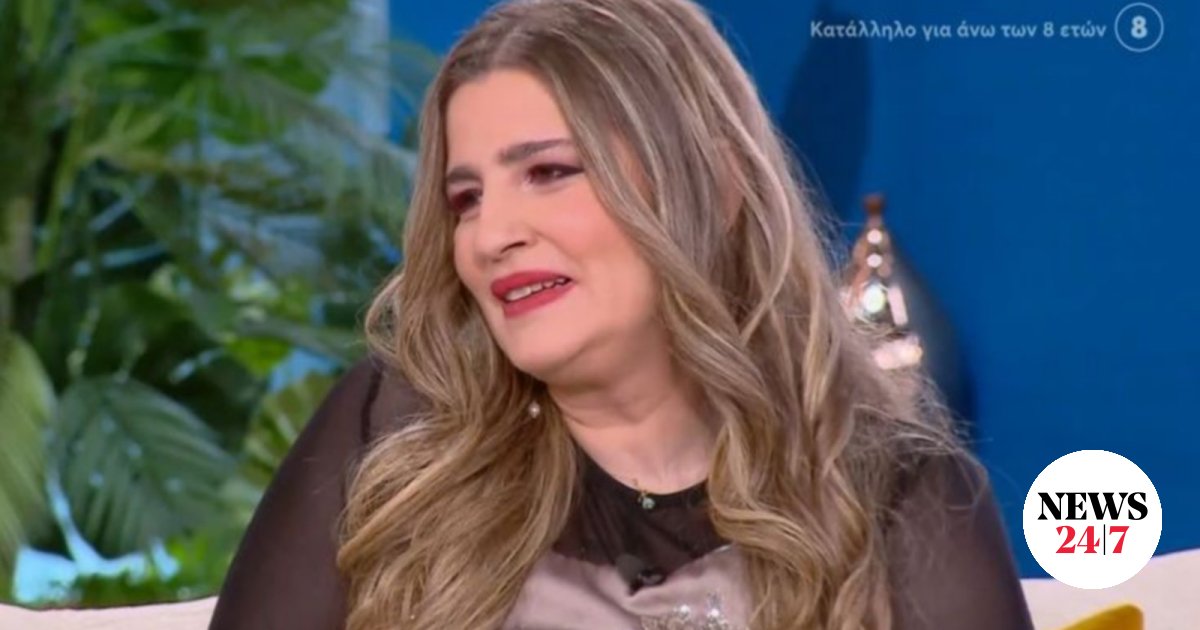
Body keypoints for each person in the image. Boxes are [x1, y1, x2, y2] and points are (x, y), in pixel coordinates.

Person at [209, 0, 1034, 628]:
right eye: (466, 199)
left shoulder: (901, 495)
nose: (491, 236)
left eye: (548, 173)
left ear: (712, 188)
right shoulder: (390, 433)